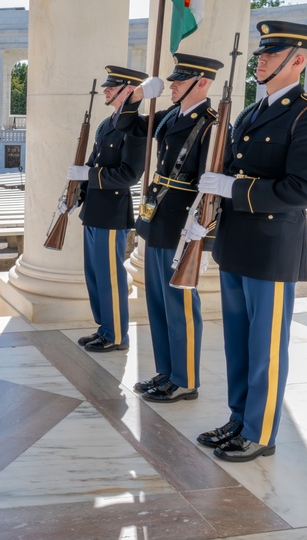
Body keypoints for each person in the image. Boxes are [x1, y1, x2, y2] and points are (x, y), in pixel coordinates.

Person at [192, 21, 307, 462]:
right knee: (237, 341)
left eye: (271, 54)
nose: (261, 61)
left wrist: (231, 189)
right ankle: (238, 418)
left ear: (299, 59)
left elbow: (305, 191)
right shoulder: (249, 115)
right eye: (260, 54)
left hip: (272, 248)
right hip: (236, 244)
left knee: (266, 348)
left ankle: (260, 432)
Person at [117, 54, 223, 402]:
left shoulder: (212, 125)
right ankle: (167, 371)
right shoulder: (170, 117)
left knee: (180, 305)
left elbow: (213, 190)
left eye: (180, 79)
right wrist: (137, 97)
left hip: (183, 228)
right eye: (174, 79)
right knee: (159, 303)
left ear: (202, 83)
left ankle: (186, 379)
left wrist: (204, 240)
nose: (172, 84)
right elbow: (127, 128)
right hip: (157, 219)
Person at [66, 66, 148, 353]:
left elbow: (129, 175)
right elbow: (92, 163)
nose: (105, 90)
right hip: (94, 210)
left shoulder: (135, 128)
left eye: (112, 87)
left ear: (129, 91)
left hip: (113, 211)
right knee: (95, 275)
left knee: (110, 276)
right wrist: (76, 193)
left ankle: (116, 335)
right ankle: (105, 328)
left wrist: (88, 175)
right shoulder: (105, 124)